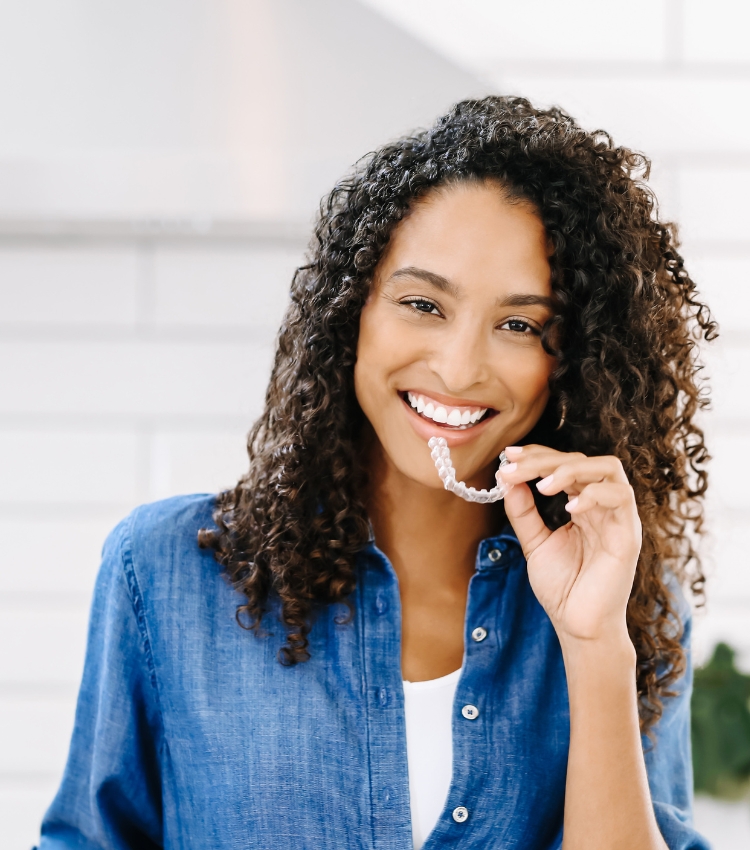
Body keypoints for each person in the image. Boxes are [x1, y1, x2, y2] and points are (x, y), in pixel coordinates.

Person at [37, 96, 714, 850]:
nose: (459, 368)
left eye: (520, 325)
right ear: (350, 312)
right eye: (423, 303)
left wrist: (594, 647)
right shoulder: (162, 571)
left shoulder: (630, 607)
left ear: (573, 363)